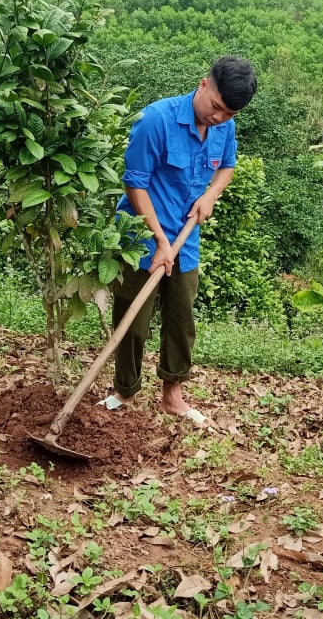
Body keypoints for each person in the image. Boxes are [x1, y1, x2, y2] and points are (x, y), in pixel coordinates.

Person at [97, 55, 258, 425]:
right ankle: (124, 391)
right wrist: (159, 241)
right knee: (133, 320)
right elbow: (135, 182)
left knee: (181, 320)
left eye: (228, 114)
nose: (218, 117)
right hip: (141, 236)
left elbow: (227, 166)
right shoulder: (156, 119)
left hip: (186, 241)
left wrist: (211, 194)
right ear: (204, 84)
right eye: (216, 106)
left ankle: (173, 396)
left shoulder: (224, 127)